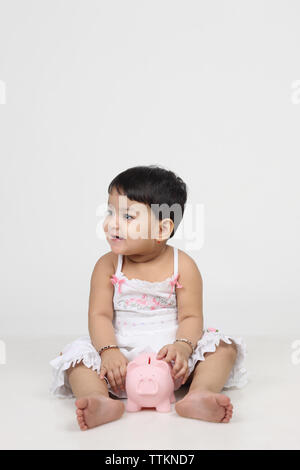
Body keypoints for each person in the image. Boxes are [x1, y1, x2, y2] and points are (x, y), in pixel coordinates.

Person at [49, 165, 248, 430]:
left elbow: (191, 316)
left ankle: (200, 392)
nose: (112, 223)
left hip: (172, 357)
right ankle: (97, 399)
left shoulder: (183, 265)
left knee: (223, 348)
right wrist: (108, 352)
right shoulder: (108, 265)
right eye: (110, 212)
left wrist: (183, 347)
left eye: (128, 216)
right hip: (120, 356)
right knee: (77, 360)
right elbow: (100, 315)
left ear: (162, 229)